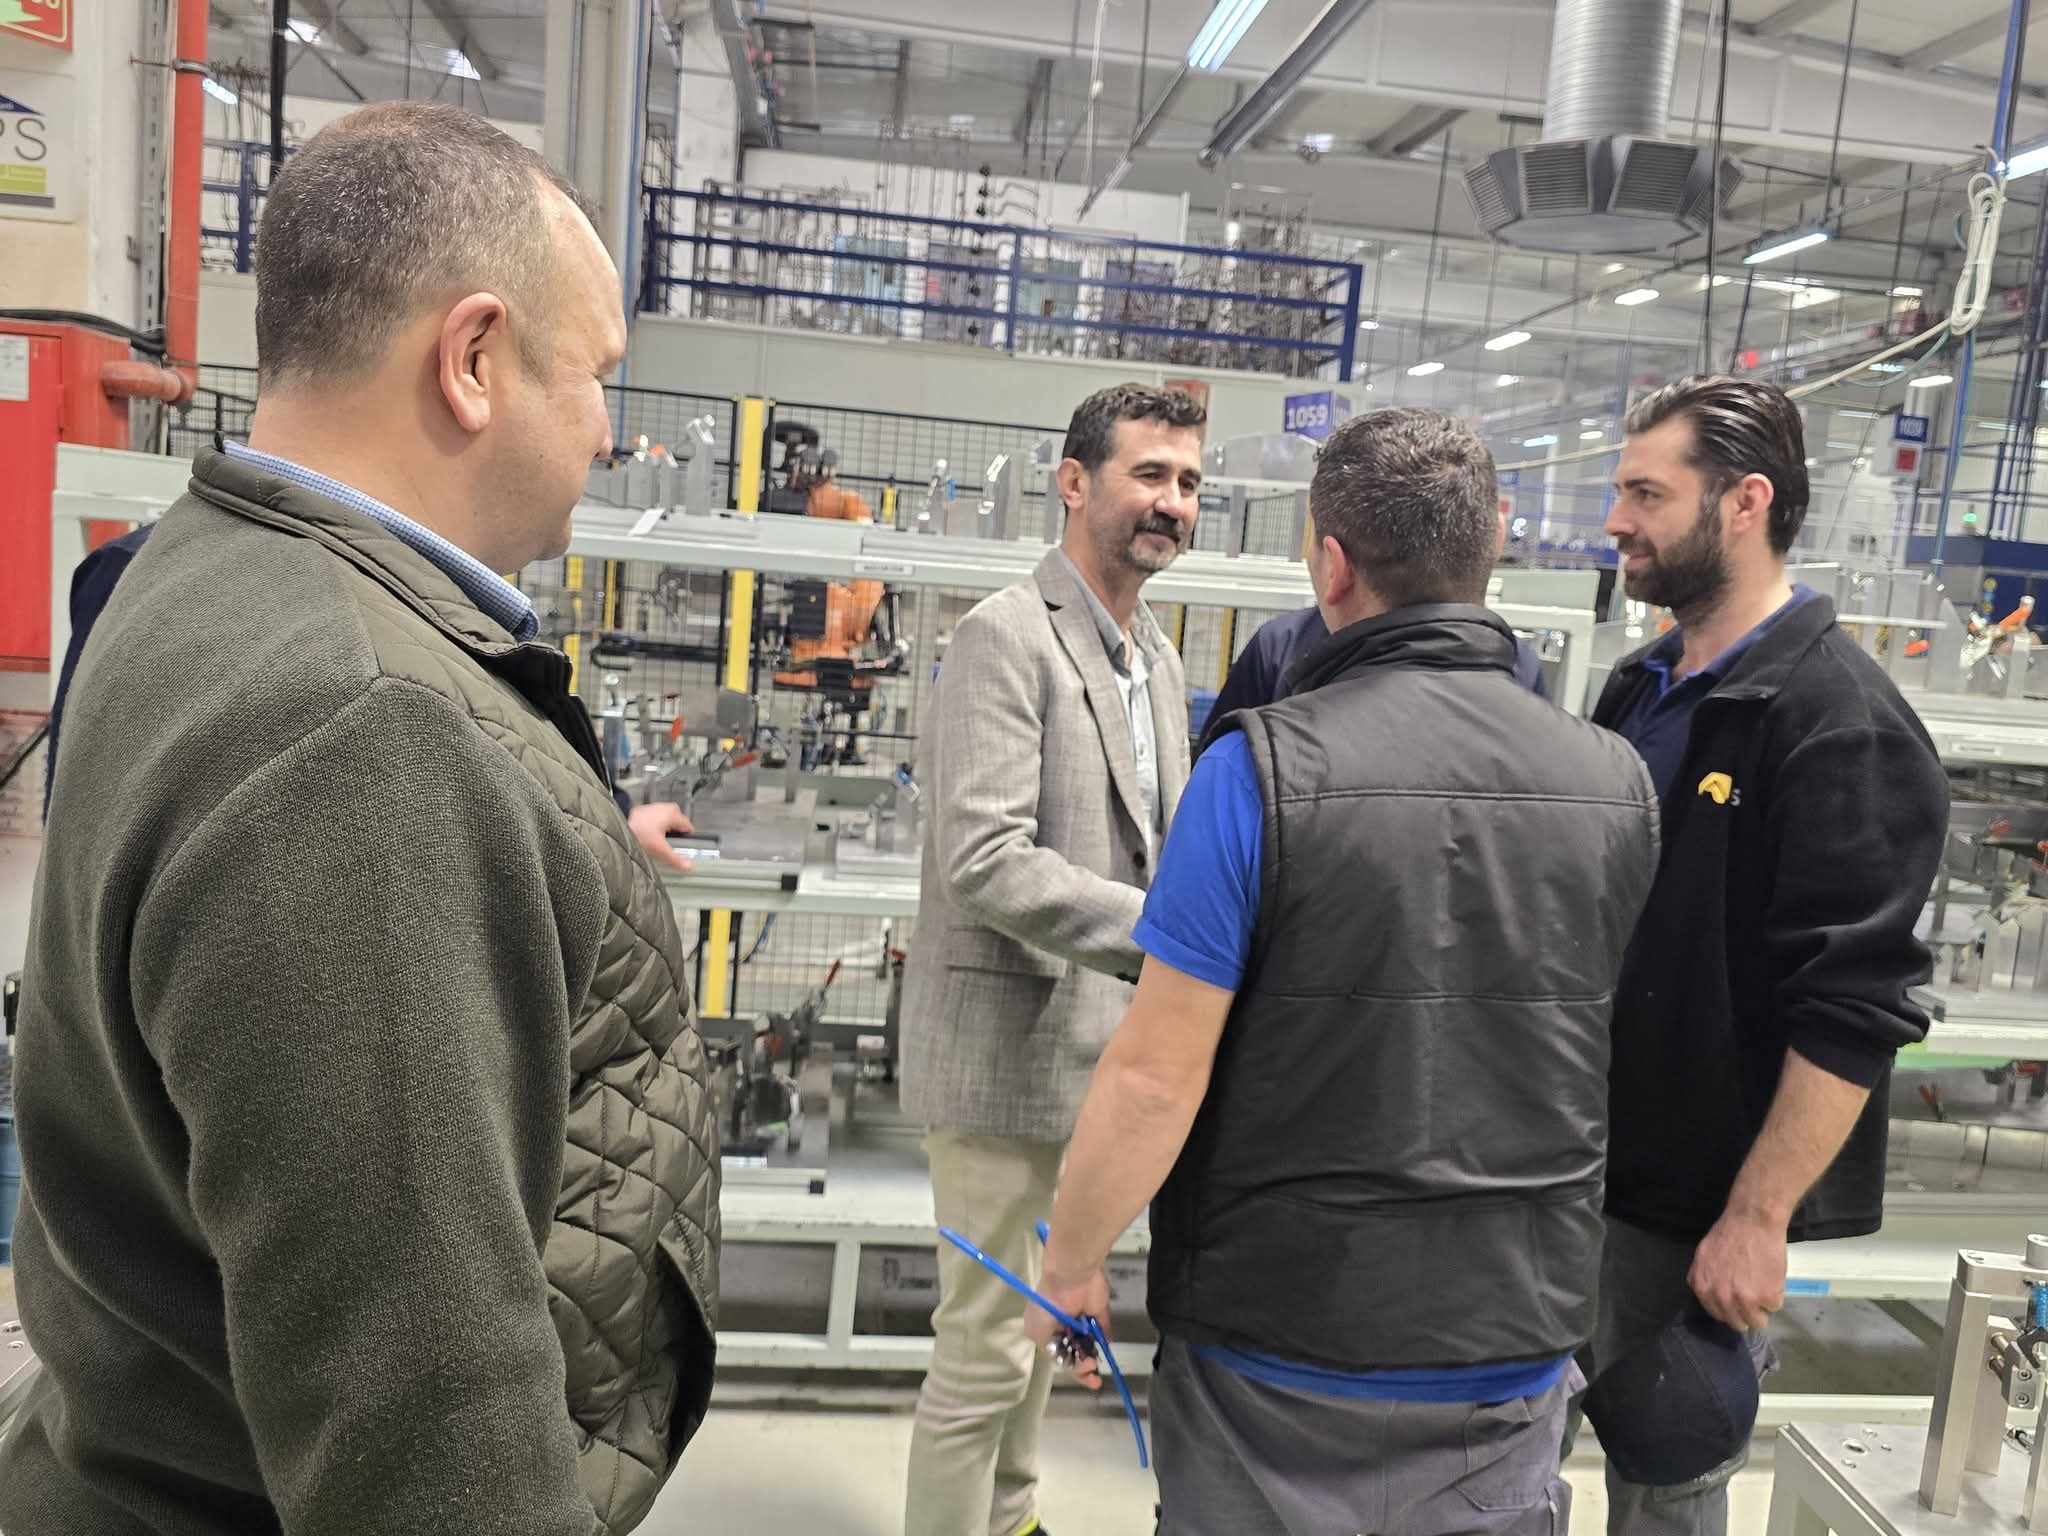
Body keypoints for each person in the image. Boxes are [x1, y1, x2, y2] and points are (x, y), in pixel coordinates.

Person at [0, 103, 720, 1534]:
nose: (606, 428)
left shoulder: (208, 563)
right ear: (472, 360)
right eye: (593, 376)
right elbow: (423, 1427)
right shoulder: (367, 733)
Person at [1032, 407, 1662, 1536]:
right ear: (1492, 545)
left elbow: (1154, 1078)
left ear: (1330, 565)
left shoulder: (1255, 773)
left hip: (1279, 1341)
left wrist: (1073, 1257)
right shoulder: (1616, 784)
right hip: (1509, 1330)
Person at [1580, 375, 1948, 1534]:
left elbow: (1853, 1004)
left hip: (1693, 1210)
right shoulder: (1639, 688)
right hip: (1578, 1168)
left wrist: (1756, 1216)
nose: (1615, 521)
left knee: (1665, 1480)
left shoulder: (1837, 721)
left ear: (1742, 503)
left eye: (1645, 494)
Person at [900, 382, 1205, 1536]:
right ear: (1074, 483)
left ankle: (1011, 1515)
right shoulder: (1005, 636)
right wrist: (1166, 941)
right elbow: (982, 857)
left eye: (1187, 482)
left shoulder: (1154, 657)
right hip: (1003, 1057)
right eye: (1147, 474)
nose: (1170, 502)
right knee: (982, 1346)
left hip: (1098, 1063)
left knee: (1049, 1322)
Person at [46, 527, 697, 871]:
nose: (602, 436)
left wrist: (615, 817)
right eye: (585, 374)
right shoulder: (374, 624)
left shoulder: (136, 564)